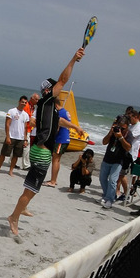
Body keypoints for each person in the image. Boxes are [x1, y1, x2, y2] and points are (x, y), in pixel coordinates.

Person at [7, 48, 84, 236]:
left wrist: (76, 127)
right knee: (30, 190)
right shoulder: (47, 101)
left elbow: (61, 121)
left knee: (34, 188)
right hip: (41, 152)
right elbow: (64, 79)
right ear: (49, 90)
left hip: (42, 150)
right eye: (56, 85)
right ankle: (13, 217)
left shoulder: (50, 107)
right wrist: (74, 58)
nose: (60, 86)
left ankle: (22, 209)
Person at [43, 97, 85, 187]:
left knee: (55, 159)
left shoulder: (59, 113)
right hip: (65, 138)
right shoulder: (65, 111)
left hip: (61, 139)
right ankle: (54, 179)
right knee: (57, 159)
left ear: (56, 105)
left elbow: (59, 125)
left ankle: (53, 181)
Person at [98, 115, 132, 208]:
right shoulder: (113, 131)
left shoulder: (128, 134)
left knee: (113, 180)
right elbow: (104, 142)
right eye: (119, 127)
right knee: (102, 178)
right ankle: (106, 195)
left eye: (123, 128)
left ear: (127, 126)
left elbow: (128, 148)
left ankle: (110, 199)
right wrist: (110, 132)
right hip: (107, 158)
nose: (121, 129)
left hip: (118, 161)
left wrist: (121, 137)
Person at [0, 96, 29, 175]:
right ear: (19, 102)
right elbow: (7, 124)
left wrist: (25, 139)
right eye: (22, 102)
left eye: (25, 102)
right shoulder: (12, 111)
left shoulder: (25, 115)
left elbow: (25, 128)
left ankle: (11, 171)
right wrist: (7, 136)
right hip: (11, 136)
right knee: (3, 154)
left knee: (16, 156)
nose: (23, 104)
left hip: (20, 138)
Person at [21, 93, 40, 170]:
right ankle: (25, 165)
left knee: (20, 146)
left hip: (29, 129)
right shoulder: (26, 106)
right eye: (36, 99)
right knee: (26, 147)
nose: (37, 101)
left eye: (38, 99)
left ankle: (11, 161)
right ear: (32, 98)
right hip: (25, 129)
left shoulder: (33, 107)